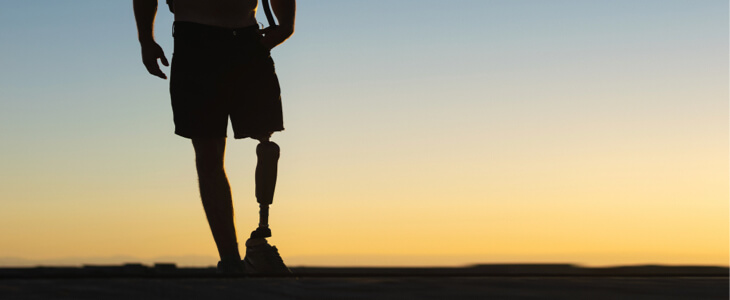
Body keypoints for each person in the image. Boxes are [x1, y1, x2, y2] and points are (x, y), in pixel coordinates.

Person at [133, 0, 296, 275]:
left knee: (266, 140)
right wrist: (146, 40)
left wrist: (286, 26)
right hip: (194, 42)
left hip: (247, 39)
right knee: (208, 154)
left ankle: (260, 238)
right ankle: (231, 261)